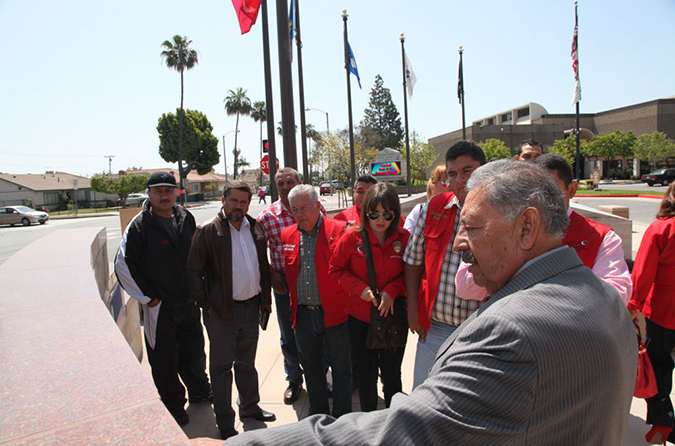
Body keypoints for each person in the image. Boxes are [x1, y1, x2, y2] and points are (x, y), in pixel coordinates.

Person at [224, 159, 637, 445]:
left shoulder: (514, 331)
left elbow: (405, 433)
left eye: (472, 228)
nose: (459, 244)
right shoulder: (605, 300)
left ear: (527, 227)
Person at [456, 153, 632, 303]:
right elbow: (465, 288)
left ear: (571, 190)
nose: (539, 199)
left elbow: (615, 297)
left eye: (549, 191)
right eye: (527, 192)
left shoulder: (601, 237)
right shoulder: (505, 229)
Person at [114, 171, 211, 426]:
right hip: (161, 307)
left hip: (188, 303)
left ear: (177, 192)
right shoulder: (140, 225)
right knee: (164, 360)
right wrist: (149, 299)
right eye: (158, 191)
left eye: (169, 190)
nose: (164, 195)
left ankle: (200, 391)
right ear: (149, 194)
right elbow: (123, 265)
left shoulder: (185, 217)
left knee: (194, 353)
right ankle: (173, 405)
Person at [186, 181, 276, 440]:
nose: (239, 206)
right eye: (234, 200)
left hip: (251, 307)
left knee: (246, 363)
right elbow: (193, 272)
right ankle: (225, 420)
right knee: (222, 369)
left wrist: (265, 301)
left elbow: (262, 267)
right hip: (222, 313)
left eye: (244, 202)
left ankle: (250, 407)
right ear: (224, 200)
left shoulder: (255, 227)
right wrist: (208, 305)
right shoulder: (207, 231)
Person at [403, 140, 486, 389]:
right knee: (423, 395)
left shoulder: (501, 211)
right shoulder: (433, 209)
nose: (460, 179)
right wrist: (413, 309)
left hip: (481, 329)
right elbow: (413, 260)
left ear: (484, 169)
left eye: (467, 171)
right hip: (437, 327)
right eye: (452, 174)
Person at [330, 183, 410, 411]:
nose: (380, 219)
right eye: (374, 213)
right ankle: (367, 424)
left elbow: (413, 274)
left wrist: (393, 290)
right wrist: (360, 289)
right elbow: (335, 270)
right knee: (366, 376)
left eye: (387, 214)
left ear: (395, 213)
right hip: (361, 319)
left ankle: (392, 423)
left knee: (393, 376)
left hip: (393, 318)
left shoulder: (404, 239)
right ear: (365, 212)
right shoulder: (350, 238)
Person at [281, 185, 352, 418]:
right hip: (302, 316)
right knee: (311, 369)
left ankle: (342, 416)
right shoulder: (287, 235)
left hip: (334, 313)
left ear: (317, 205)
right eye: (295, 209)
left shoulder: (340, 230)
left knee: (341, 369)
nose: (300, 213)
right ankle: (318, 414)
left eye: (304, 207)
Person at [256, 168, 326, 404]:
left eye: (289, 182)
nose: (285, 187)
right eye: (280, 183)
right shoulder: (267, 216)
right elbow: (254, 250)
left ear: (299, 182)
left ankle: (319, 378)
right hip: (285, 285)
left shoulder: (316, 208)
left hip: (314, 281)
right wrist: (270, 272)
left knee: (318, 332)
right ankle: (294, 379)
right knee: (289, 334)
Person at [628, 182, 675, 445]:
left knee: (659, 364)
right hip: (665, 306)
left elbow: (643, 271)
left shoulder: (662, 229)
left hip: (665, 309)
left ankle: (662, 421)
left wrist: (633, 304)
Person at [335, 175, 405, 228]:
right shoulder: (341, 219)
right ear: (354, 193)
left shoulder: (391, 217)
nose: (365, 196)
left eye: (370, 192)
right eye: (360, 192)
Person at [403, 165, 449, 233]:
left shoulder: (461, 210)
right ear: (433, 187)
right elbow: (407, 236)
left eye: (453, 180)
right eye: (446, 181)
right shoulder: (420, 210)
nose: (450, 185)